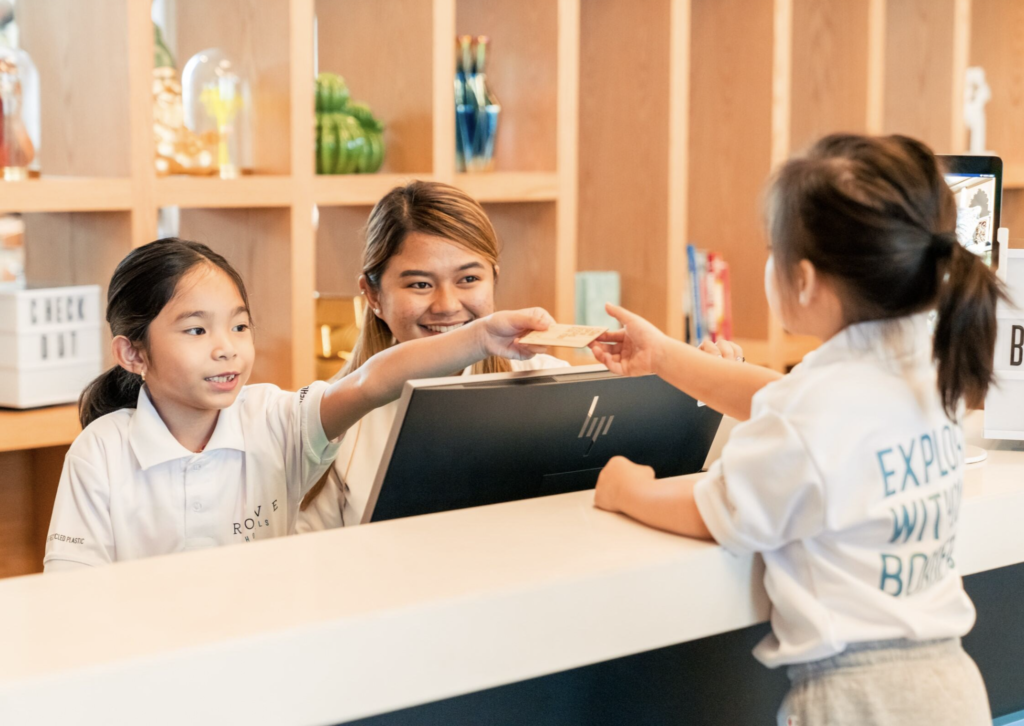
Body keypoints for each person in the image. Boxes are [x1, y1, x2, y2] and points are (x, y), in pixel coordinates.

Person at [589, 134, 999, 724]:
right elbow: (787, 402)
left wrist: (625, 487)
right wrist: (665, 356)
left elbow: (717, 510)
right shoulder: (926, 361)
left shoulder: (819, 407)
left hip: (858, 702)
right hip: (952, 686)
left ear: (802, 280)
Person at [44, 237, 553, 571]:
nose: (227, 347)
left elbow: (372, 380)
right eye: (197, 330)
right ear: (133, 352)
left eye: (239, 326)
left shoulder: (274, 419)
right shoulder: (100, 452)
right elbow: (71, 596)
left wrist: (482, 336)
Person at [296, 181, 572, 530]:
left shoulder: (550, 385)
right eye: (420, 284)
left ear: (494, 279)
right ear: (373, 295)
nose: (447, 306)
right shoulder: (335, 415)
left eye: (469, 278)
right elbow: (310, 558)